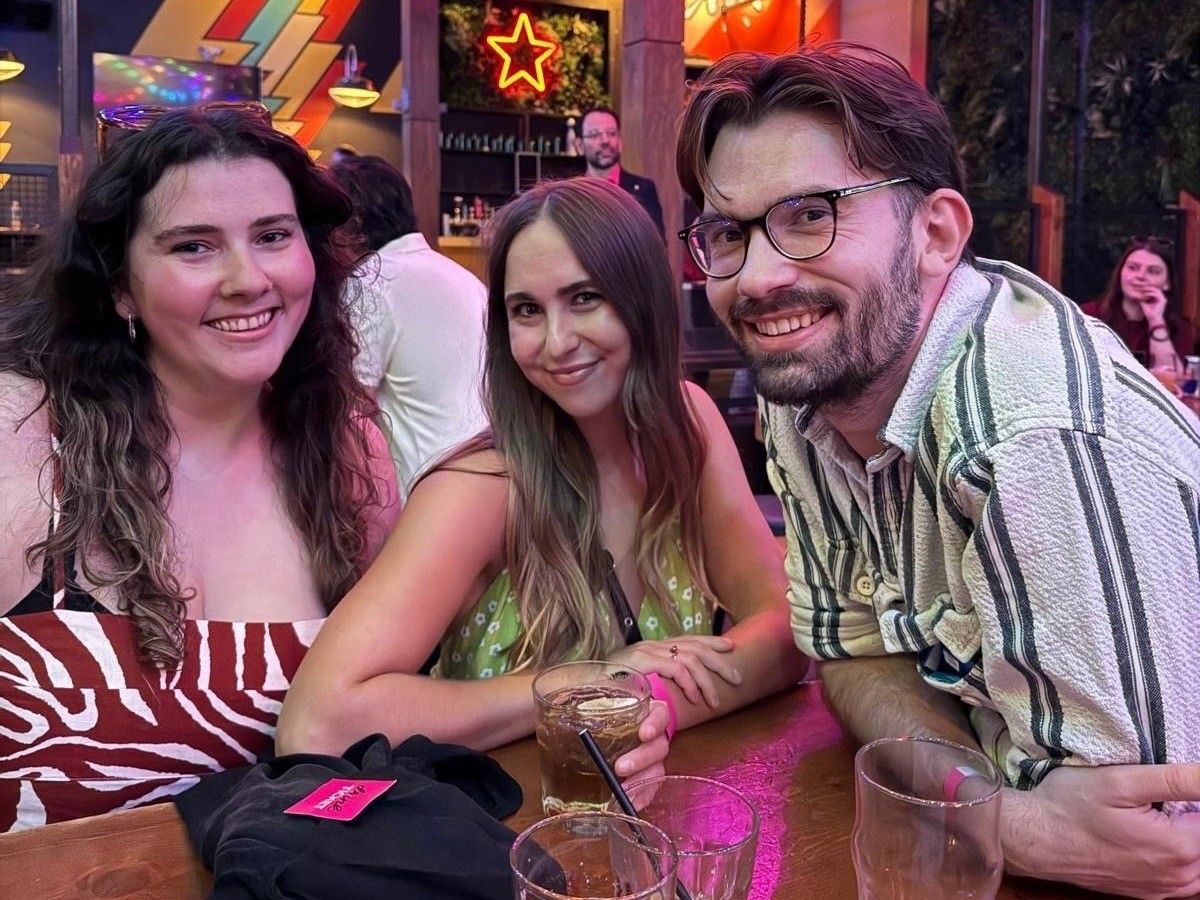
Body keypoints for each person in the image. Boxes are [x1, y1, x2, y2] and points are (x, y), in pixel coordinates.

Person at [675, 44, 1200, 897]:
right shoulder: (808, 395)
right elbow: (847, 652)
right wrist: (997, 810)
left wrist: (976, 799)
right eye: (729, 234)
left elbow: (1150, 845)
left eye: (810, 215)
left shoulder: (1033, 441)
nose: (758, 279)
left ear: (937, 234)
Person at [276, 178, 807, 785]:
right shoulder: (482, 485)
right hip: (511, 827)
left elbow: (786, 633)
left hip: (656, 814)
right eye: (527, 310)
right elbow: (317, 724)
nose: (557, 343)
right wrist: (586, 686)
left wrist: (646, 702)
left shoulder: (688, 423)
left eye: (584, 298)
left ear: (642, 300)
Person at [0, 105, 398, 830]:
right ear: (119, 286)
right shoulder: (21, 435)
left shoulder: (349, 453)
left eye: (273, 236)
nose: (249, 279)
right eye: (194, 246)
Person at [329, 155, 488, 499]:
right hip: (491, 476)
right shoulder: (464, 278)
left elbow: (349, 408)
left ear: (352, 225)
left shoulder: (370, 282)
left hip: (426, 491)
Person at [1080, 236, 1195, 372]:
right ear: (1120, 274)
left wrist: (1156, 320)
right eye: (1133, 268)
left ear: (1167, 283)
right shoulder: (1087, 316)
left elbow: (1171, 378)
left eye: (1153, 271)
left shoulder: (1180, 329)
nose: (1140, 276)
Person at [578, 107, 665, 238]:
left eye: (612, 133)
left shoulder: (644, 189)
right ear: (580, 146)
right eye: (595, 134)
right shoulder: (571, 193)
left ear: (620, 141)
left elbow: (657, 243)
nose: (605, 141)